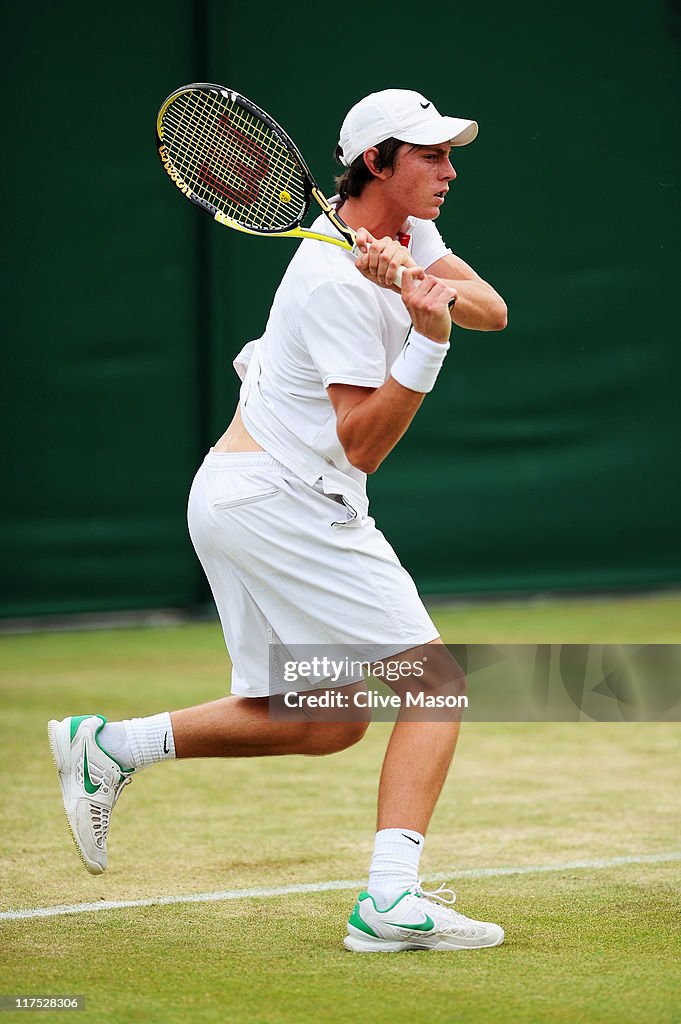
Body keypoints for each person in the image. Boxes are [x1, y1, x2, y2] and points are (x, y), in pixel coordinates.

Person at [48, 88, 508, 953]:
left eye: (449, 155)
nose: (448, 171)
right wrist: (426, 337)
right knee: (436, 687)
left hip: (240, 496)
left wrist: (423, 284)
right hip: (283, 502)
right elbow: (363, 444)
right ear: (375, 163)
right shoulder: (332, 278)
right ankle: (387, 904)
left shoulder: (409, 234)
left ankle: (109, 745)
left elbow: (494, 307)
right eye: (429, 156)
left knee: (321, 720)